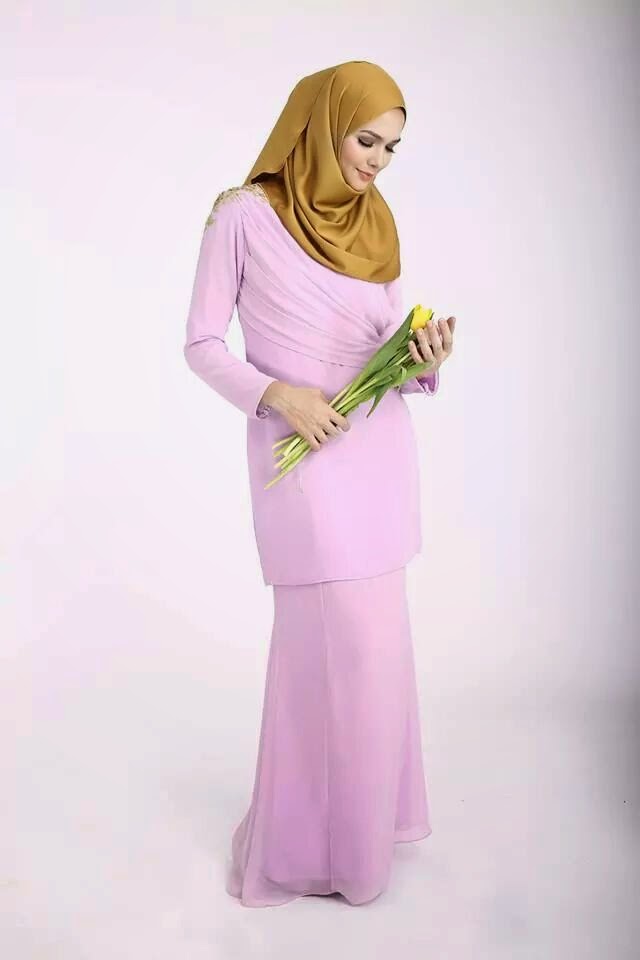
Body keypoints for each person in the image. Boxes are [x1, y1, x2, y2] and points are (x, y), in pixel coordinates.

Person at [183, 60, 455, 908]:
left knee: (377, 653)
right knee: (331, 652)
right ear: (321, 122)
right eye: (365, 139)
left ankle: (359, 844)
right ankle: (304, 851)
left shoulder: (377, 221)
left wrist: (424, 359)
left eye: (391, 148)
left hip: (377, 455)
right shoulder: (242, 214)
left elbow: (387, 349)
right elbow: (201, 343)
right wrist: (278, 395)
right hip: (300, 458)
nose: (377, 160)